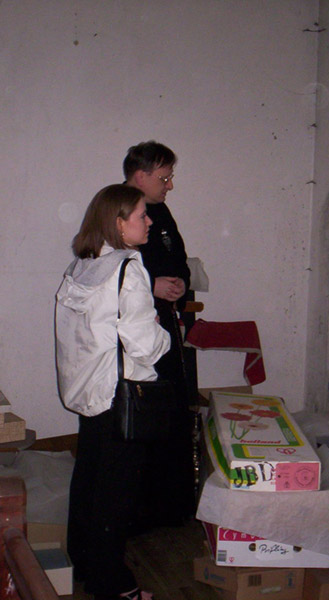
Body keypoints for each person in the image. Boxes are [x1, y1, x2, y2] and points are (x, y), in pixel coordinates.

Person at [55, 184, 170, 600]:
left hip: (89, 393)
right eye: (142, 214)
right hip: (121, 397)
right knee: (116, 498)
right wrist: (166, 337)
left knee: (88, 483)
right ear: (119, 223)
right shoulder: (129, 268)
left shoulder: (82, 266)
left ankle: (85, 565)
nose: (149, 221)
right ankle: (112, 586)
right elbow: (144, 344)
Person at [123, 141, 196, 526]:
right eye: (164, 177)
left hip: (164, 325)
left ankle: (173, 507)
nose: (170, 185)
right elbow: (114, 269)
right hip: (134, 333)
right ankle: (142, 512)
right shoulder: (118, 212)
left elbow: (178, 260)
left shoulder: (162, 212)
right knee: (145, 415)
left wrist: (180, 284)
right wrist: (151, 287)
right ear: (141, 176)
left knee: (172, 412)